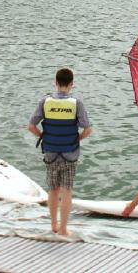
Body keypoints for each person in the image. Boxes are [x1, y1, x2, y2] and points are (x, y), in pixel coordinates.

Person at [27, 68, 92, 236]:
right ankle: (63, 229)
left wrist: (43, 135)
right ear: (71, 84)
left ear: (55, 83)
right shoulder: (76, 103)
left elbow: (31, 126)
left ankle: (53, 225)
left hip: (50, 151)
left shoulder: (45, 101)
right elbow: (87, 129)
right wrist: (77, 139)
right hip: (70, 152)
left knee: (53, 189)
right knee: (66, 190)